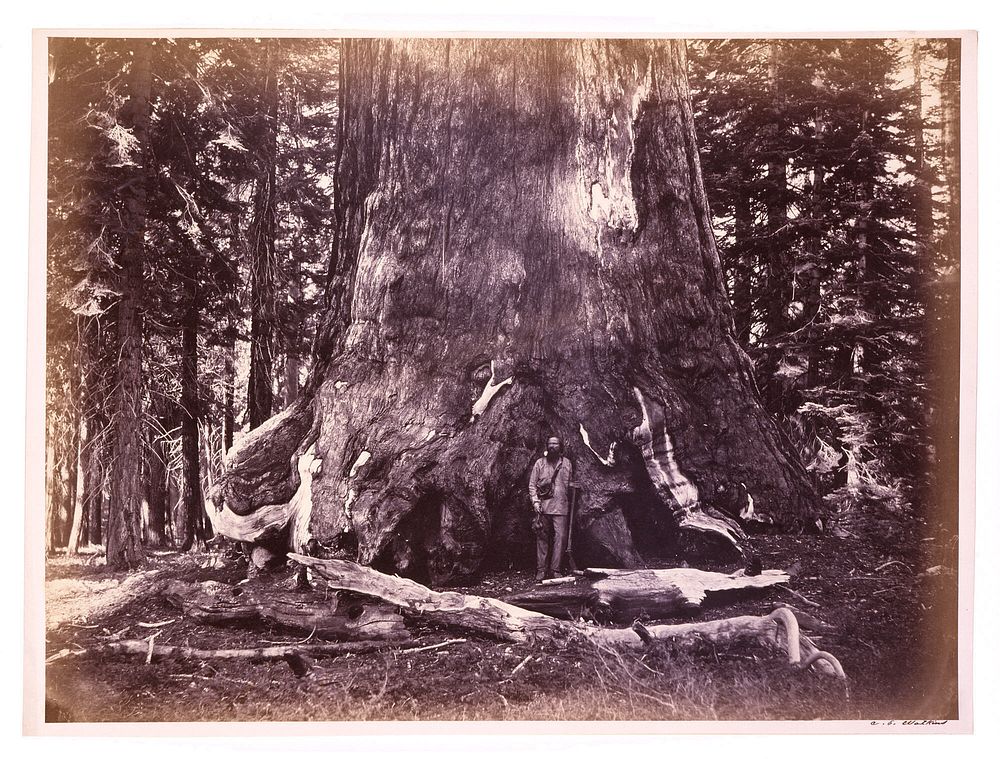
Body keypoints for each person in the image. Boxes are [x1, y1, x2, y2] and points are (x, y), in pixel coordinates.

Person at [528, 436, 574, 582]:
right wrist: (535, 502)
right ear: (547, 446)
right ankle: (541, 570)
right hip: (542, 508)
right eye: (550, 444)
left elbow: (569, 484)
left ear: (560, 447)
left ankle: (555, 570)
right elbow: (532, 485)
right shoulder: (539, 463)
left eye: (555, 444)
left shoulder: (567, 463)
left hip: (561, 507)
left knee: (560, 538)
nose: (552, 446)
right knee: (542, 539)